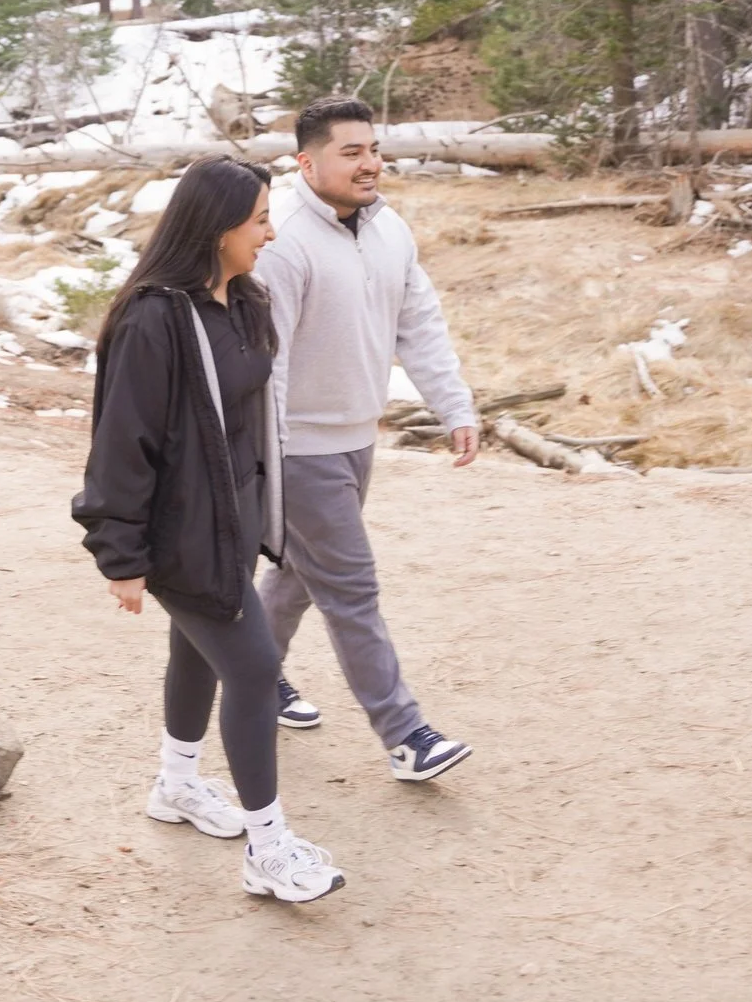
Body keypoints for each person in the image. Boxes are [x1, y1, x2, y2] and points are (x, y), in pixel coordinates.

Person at [72, 156, 346, 904]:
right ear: (216, 226)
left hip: (230, 524)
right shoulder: (153, 318)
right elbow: (121, 444)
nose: (269, 231)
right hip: (181, 536)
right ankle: (268, 847)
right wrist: (120, 555)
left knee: (196, 653)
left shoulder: (244, 302)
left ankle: (177, 784)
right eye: (258, 218)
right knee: (255, 670)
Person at [256, 96, 480, 783]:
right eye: (350, 152)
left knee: (298, 572)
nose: (370, 163)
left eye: (373, 149)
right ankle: (405, 731)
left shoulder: (390, 231)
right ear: (307, 161)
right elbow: (272, 360)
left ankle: (252, 677)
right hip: (300, 447)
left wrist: (454, 405)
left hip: (357, 437)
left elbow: (421, 322)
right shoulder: (282, 238)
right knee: (351, 585)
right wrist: (271, 454)